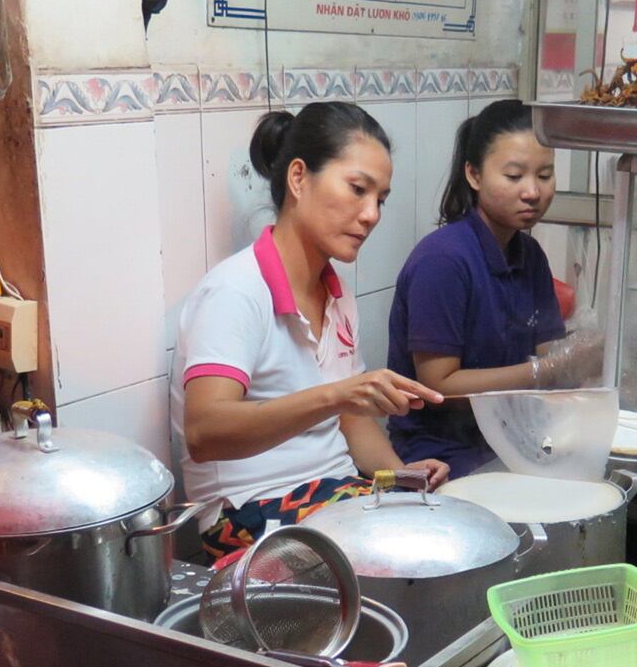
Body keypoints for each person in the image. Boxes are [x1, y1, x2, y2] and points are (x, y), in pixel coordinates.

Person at [170, 101, 450, 561]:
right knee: (402, 547)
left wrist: (403, 479)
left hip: (334, 491)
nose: (371, 214)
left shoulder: (337, 298)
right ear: (298, 178)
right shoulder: (235, 292)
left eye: (380, 199)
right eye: (358, 189)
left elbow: (353, 421)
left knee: (436, 519)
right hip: (244, 510)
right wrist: (338, 395)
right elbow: (205, 433)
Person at [385, 99, 602, 478]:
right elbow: (439, 386)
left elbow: (548, 352)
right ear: (473, 174)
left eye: (545, 176)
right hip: (442, 454)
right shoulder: (444, 260)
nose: (532, 192)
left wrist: (587, 357)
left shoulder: (528, 253)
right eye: (514, 176)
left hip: (512, 439)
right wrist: (545, 371)